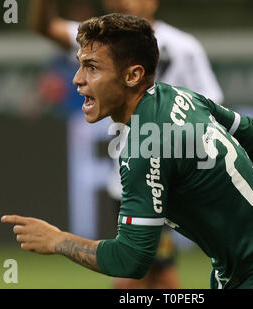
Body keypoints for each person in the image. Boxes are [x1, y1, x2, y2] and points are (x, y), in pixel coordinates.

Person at [2, 13, 253, 289]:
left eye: (92, 68)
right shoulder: (180, 96)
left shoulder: (145, 145)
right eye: (80, 66)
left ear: (133, 75)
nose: (77, 80)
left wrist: (57, 240)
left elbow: (131, 260)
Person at [28, 0, 223, 289]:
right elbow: (45, 28)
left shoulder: (183, 47)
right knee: (142, 272)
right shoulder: (103, 42)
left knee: (145, 272)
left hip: (162, 176)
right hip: (126, 175)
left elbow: (211, 108)